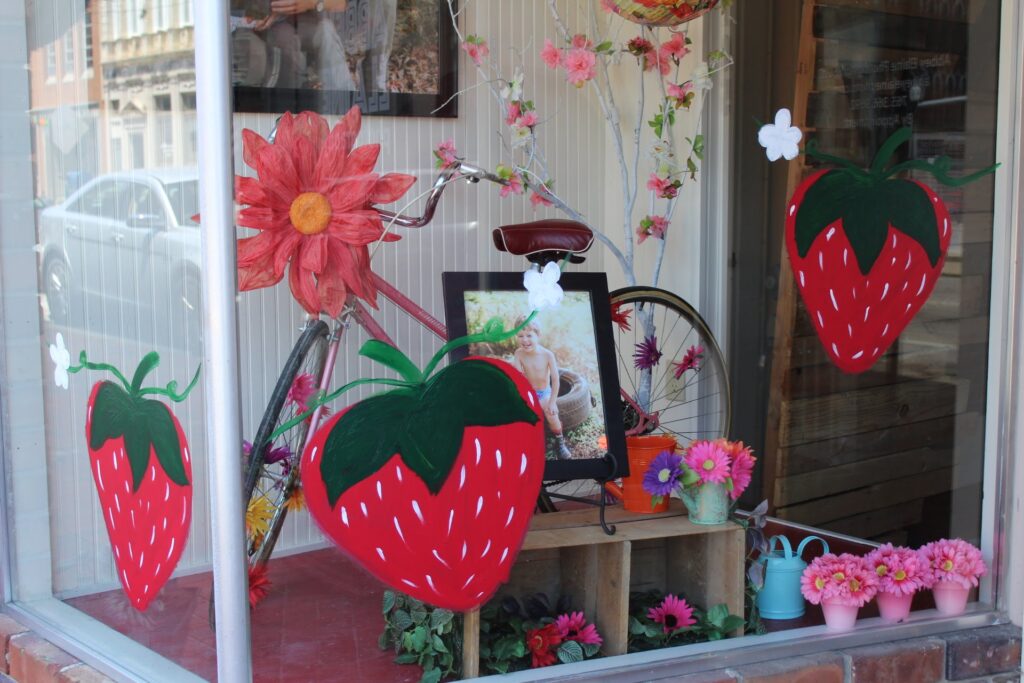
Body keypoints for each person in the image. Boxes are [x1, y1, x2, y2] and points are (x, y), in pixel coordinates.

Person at [511, 316, 572, 460]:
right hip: (529, 393)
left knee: (552, 415)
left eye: (529, 335)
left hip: (544, 393)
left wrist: (552, 402)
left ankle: (559, 441)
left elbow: (555, 379)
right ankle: (531, 443)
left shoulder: (547, 355)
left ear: (538, 335)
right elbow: (518, 377)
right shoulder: (519, 354)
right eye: (520, 336)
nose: (524, 340)